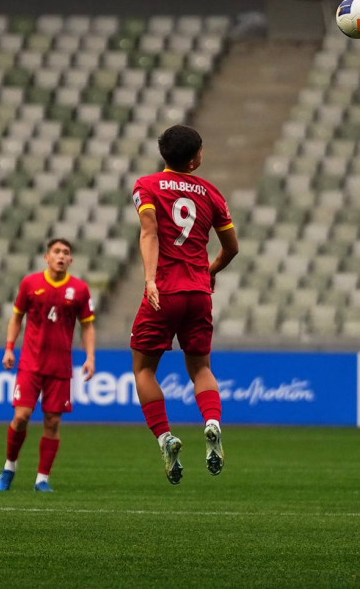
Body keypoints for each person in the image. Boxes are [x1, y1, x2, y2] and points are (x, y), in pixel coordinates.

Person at [130, 124, 239, 485]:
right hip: (198, 293)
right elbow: (232, 248)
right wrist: (209, 271)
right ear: (196, 158)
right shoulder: (211, 192)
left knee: (145, 370)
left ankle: (165, 437)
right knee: (201, 369)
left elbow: (150, 232)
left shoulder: (146, 186)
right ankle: (211, 422)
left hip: (163, 292)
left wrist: (150, 280)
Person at [0, 238, 96, 493]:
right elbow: (17, 316)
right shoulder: (30, 283)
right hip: (31, 363)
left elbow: (87, 325)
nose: (61, 256)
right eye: (57, 251)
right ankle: (10, 466)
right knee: (21, 417)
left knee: (52, 422)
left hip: (60, 367)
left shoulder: (80, 289)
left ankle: (42, 478)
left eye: (66, 252)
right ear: (47, 257)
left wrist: (90, 357)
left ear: (71, 260)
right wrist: (9, 347)